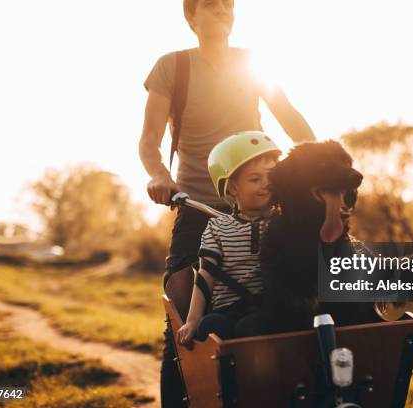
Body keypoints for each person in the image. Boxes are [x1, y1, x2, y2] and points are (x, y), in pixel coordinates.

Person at [138, 1, 315, 405]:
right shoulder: (172, 67)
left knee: (285, 303)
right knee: (182, 317)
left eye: (227, 5)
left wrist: (317, 162)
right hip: (197, 206)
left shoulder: (253, 63)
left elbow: (290, 117)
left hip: (261, 206)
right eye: (210, 5)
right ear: (190, 17)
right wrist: (159, 176)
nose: (221, 10)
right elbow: (149, 140)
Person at [177, 131, 279, 345]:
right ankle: (224, 374)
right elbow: (205, 275)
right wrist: (192, 320)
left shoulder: (281, 222)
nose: (266, 183)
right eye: (255, 178)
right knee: (210, 326)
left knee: (250, 328)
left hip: (268, 306)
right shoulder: (217, 227)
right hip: (228, 308)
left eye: (272, 177)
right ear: (233, 188)